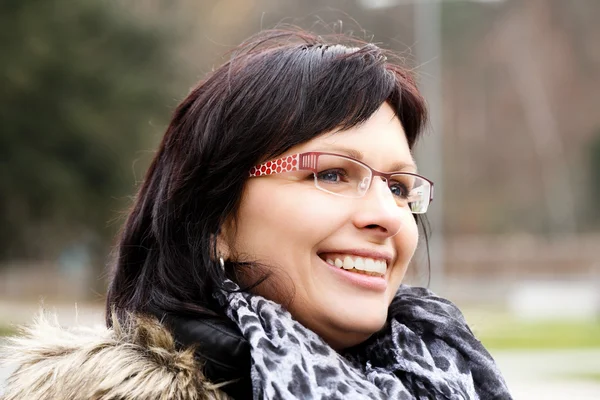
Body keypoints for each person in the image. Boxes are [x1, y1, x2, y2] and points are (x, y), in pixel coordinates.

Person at [0, 29, 512, 400]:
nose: (387, 216)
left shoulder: (451, 379)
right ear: (216, 218)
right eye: (331, 173)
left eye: (399, 187)